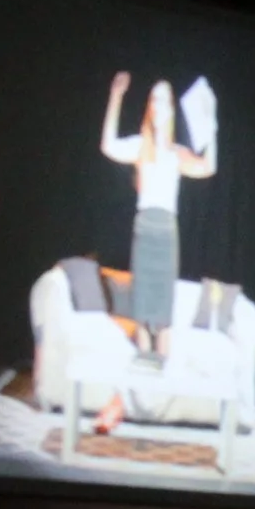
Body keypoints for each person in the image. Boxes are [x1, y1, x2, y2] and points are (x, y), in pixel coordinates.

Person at [97, 69, 216, 395]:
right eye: (155, 99)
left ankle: (161, 383)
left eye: (165, 99)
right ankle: (142, 375)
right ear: (150, 107)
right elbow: (107, 145)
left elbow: (207, 168)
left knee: (162, 307)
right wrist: (116, 96)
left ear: (172, 109)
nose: (160, 105)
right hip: (144, 227)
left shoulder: (177, 152)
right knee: (144, 303)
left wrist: (212, 127)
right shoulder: (140, 147)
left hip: (167, 229)